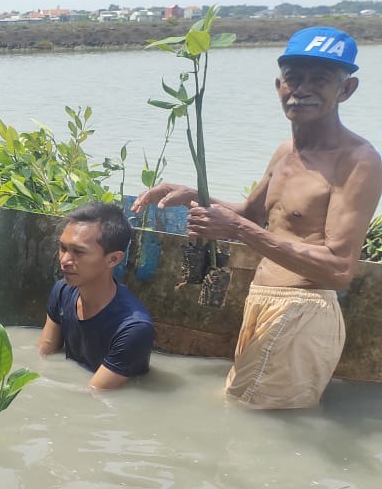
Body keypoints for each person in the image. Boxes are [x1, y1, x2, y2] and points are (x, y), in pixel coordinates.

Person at [134, 26, 382, 408]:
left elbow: (338, 270)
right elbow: (250, 214)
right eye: (293, 78)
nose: (302, 89)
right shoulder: (287, 150)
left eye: (320, 79)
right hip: (262, 302)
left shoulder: (358, 162)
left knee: (254, 421)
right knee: (247, 414)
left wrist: (234, 228)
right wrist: (192, 196)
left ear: (346, 90)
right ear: (278, 86)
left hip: (302, 310)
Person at [38, 202, 155, 389]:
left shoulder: (134, 328)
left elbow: (95, 393)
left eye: (78, 252)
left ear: (113, 259)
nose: (65, 260)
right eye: (63, 248)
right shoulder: (62, 291)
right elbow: (44, 354)